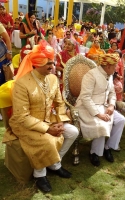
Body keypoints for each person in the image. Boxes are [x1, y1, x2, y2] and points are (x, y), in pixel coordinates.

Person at [2, 41, 79, 192]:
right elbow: (21, 116)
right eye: (48, 63)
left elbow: (59, 103)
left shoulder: (53, 79)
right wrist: (48, 129)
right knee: (48, 140)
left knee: (73, 132)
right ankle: (40, 175)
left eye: (53, 62)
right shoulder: (22, 84)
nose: (52, 66)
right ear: (37, 63)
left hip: (49, 119)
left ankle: (54, 164)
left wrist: (61, 121)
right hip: (23, 124)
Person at [75, 54, 125, 166]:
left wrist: (112, 105)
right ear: (107, 66)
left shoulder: (110, 74)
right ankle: (95, 153)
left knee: (121, 120)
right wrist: (98, 114)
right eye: (114, 66)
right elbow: (85, 98)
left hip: (104, 106)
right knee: (103, 123)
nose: (116, 68)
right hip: (87, 107)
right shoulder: (91, 75)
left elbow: (112, 93)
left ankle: (107, 147)